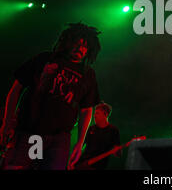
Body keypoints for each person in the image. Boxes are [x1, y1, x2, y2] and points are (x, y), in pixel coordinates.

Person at [0, 22, 102, 169]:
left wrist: (80, 143)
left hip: (59, 140)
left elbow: (86, 109)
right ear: (67, 42)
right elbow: (16, 89)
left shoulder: (88, 73)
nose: (80, 48)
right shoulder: (45, 59)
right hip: (30, 133)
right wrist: (6, 123)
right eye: (77, 43)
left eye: (85, 46)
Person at [74, 101, 121, 170]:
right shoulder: (91, 129)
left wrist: (116, 151)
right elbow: (81, 146)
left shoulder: (113, 130)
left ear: (105, 114)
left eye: (97, 113)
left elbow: (118, 153)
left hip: (99, 165)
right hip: (84, 163)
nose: (94, 115)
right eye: (94, 113)